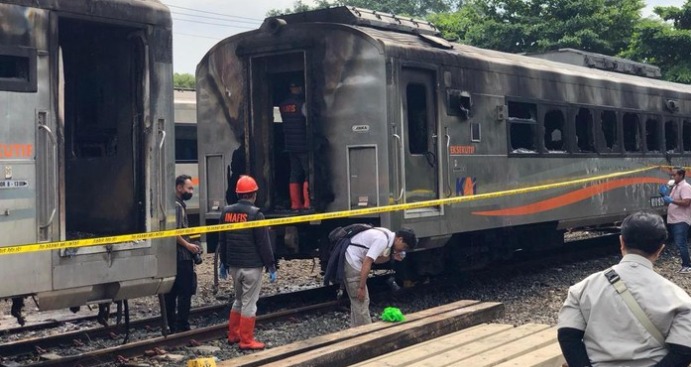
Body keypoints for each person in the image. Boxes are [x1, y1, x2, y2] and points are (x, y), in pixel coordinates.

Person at [557, 211, 691, 367]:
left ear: (621, 242)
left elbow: (567, 335)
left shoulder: (581, 289)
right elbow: (683, 351)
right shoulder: (679, 299)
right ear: (660, 249)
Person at [218, 175, 277, 350]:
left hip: (234, 267)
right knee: (249, 303)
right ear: (254, 194)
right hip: (252, 267)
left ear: (238, 193)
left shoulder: (226, 212)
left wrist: (224, 262)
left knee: (238, 300)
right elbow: (263, 244)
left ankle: (233, 334)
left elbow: (223, 239)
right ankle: (246, 340)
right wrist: (271, 265)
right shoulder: (256, 214)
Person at [344, 227, 417, 327]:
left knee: (357, 302)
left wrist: (392, 256)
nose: (402, 250)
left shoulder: (387, 236)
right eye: (404, 247)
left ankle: (354, 332)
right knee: (361, 300)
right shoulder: (382, 240)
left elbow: (375, 260)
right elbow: (367, 261)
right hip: (353, 261)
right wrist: (361, 287)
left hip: (352, 257)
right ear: (399, 239)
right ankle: (367, 335)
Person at [164, 174, 201, 333]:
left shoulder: (173, 204)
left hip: (171, 256)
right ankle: (182, 326)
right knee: (185, 292)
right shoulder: (177, 206)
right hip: (182, 256)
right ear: (179, 188)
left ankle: (171, 325)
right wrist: (189, 246)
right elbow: (174, 231)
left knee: (170, 293)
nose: (191, 191)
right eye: (189, 188)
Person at [278, 80, 310, 211]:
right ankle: (308, 202)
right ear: (296, 88)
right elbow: (309, 119)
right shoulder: (302, 104)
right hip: (303, 144)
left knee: (294, 173)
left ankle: (295, 204)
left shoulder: (282, 105)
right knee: (309, 173)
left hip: (289, 145)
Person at [661, 167, 691, 273]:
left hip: (681, 220)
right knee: (679, 243)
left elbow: (687, 202)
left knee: (681, 243)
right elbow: (669, 202)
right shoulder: (675, 187)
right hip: (674, 220)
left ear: (681, 175)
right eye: (671, 175)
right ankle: (685, 264)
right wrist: (664, 196)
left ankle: (687, 266)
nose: (672, 177)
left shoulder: (685, 187)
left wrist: (671, 200)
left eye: (674, 175)